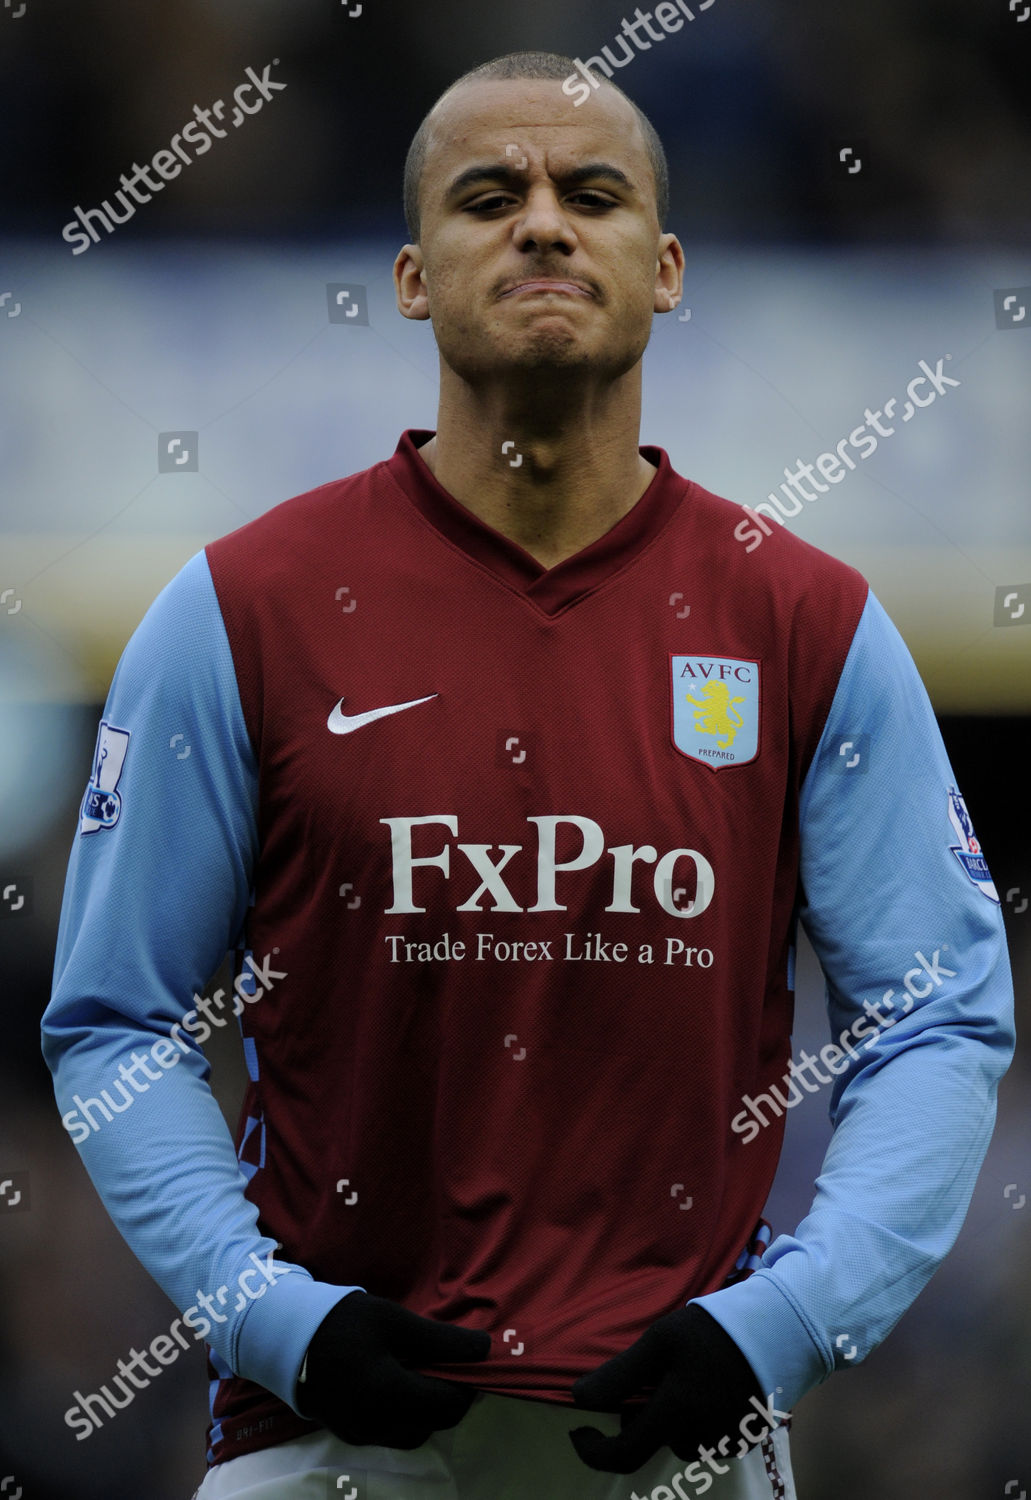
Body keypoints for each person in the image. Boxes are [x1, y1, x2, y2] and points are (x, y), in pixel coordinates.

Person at [42, 50, 1015, 1500]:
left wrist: (788, 1323)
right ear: (414, 275)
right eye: (490, 195)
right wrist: (277, 1321)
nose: (545, 224)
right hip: (329, 1444)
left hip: (679, 1442)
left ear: (669, 267)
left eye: (593, 194)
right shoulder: (240, 611)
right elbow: (118, 1026)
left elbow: (938, 1023)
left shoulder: (807, 623)